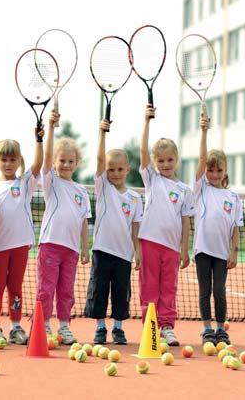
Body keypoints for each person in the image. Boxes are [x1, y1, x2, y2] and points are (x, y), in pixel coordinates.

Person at [138, 105, 194, 346]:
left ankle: (167, 326)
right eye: (160, 160)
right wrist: (147, 122)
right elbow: (142, 150)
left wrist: (184, 248)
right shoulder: (152, 179)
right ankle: (150, 326)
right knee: (148, 286)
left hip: (172, 247)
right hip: (149, 242)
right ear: (154, 162)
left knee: (168, 287)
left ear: (177, 160)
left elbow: (185, 221)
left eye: (170, 159)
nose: (165, 164)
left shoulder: (184, 190)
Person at [84, 119, 143, 345]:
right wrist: (102, 133)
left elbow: (136, 226)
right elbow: (99, 159)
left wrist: (137, 251)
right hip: (101, 251)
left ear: (128, 169)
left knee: (121, 294)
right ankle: (100, 328)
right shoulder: (103, 188)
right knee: (99, 292)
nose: (115, 173)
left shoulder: (135, 198)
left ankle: (118, 329)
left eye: (120, 169)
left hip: (124, 255)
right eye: (111, 169)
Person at [36, 111, 91, 344]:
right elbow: (45, 156)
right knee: (46, 288)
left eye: (70, 161)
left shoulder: (82, 191)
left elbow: (84, 221)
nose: (66, 164)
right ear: (55, 163)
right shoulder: (51, 182)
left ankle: (65, 326)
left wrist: (85, 247)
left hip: (71, 250)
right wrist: (50, 127)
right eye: (62, 160)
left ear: (77, 163)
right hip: (50, 245)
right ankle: (43, 324)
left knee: (67, 291)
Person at [0, 128, 44, 344]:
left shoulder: (25, 183)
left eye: (12, 159)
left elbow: (38, 165)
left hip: (21, 244)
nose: (8, 163)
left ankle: (15, 326)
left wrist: (39, 139)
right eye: (4, 159)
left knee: (16, 287)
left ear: (19, 161)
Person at [194, 115, 243, 345]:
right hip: (203, 250)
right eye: (210, 170)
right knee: (205, 290)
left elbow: (236, 228)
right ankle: (206, 329)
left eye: (219, 170)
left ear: (225, 170)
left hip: (222, 253)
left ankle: (221, 329)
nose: (214, 174)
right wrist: (204, 131)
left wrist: (234, 251)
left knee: (219, 290)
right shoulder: (201, 188)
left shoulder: (233, 197)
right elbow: (202, 158)